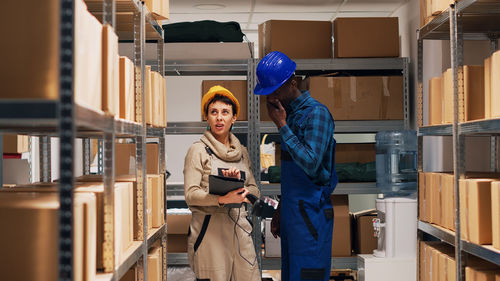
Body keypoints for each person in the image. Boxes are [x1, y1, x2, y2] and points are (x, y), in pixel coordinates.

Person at [254, 51, 338, 281]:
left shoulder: (316, 114)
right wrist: (282, 208)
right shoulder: (289, 115)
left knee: (309, 276)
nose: (271, 98)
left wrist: (281, 125)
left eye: (275, 91)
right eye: (268, 93)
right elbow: (294, 172)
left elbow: (311, 163)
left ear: (293, 83)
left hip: (311, 215)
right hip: (294, 214)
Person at [183, 85, 261, 281]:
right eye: (213, 112)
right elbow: (191, 194)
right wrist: (222, 198)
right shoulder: (198, 151)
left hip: (240, 231)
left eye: (225, 112)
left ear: (234, 118)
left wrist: (238, 186)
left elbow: (254, 191)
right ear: (207, 118)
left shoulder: (241, 152)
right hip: (210, 233)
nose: (219, 118)